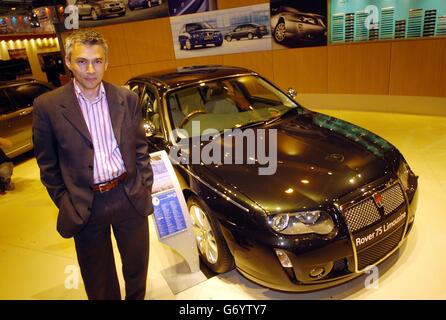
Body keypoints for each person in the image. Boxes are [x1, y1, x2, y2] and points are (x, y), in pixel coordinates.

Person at [32, 30, 153, 300]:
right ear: (68, 61)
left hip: (128, 194)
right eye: (82, 61)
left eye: (97, 61)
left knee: (137, 269)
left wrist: (144, 184)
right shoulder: (48, 106)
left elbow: (140, 147)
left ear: (107, 63)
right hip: (85, 204)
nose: (90, 69)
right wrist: (66, 201)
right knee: (98, 280)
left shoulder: (126, 98)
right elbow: (48, 166)